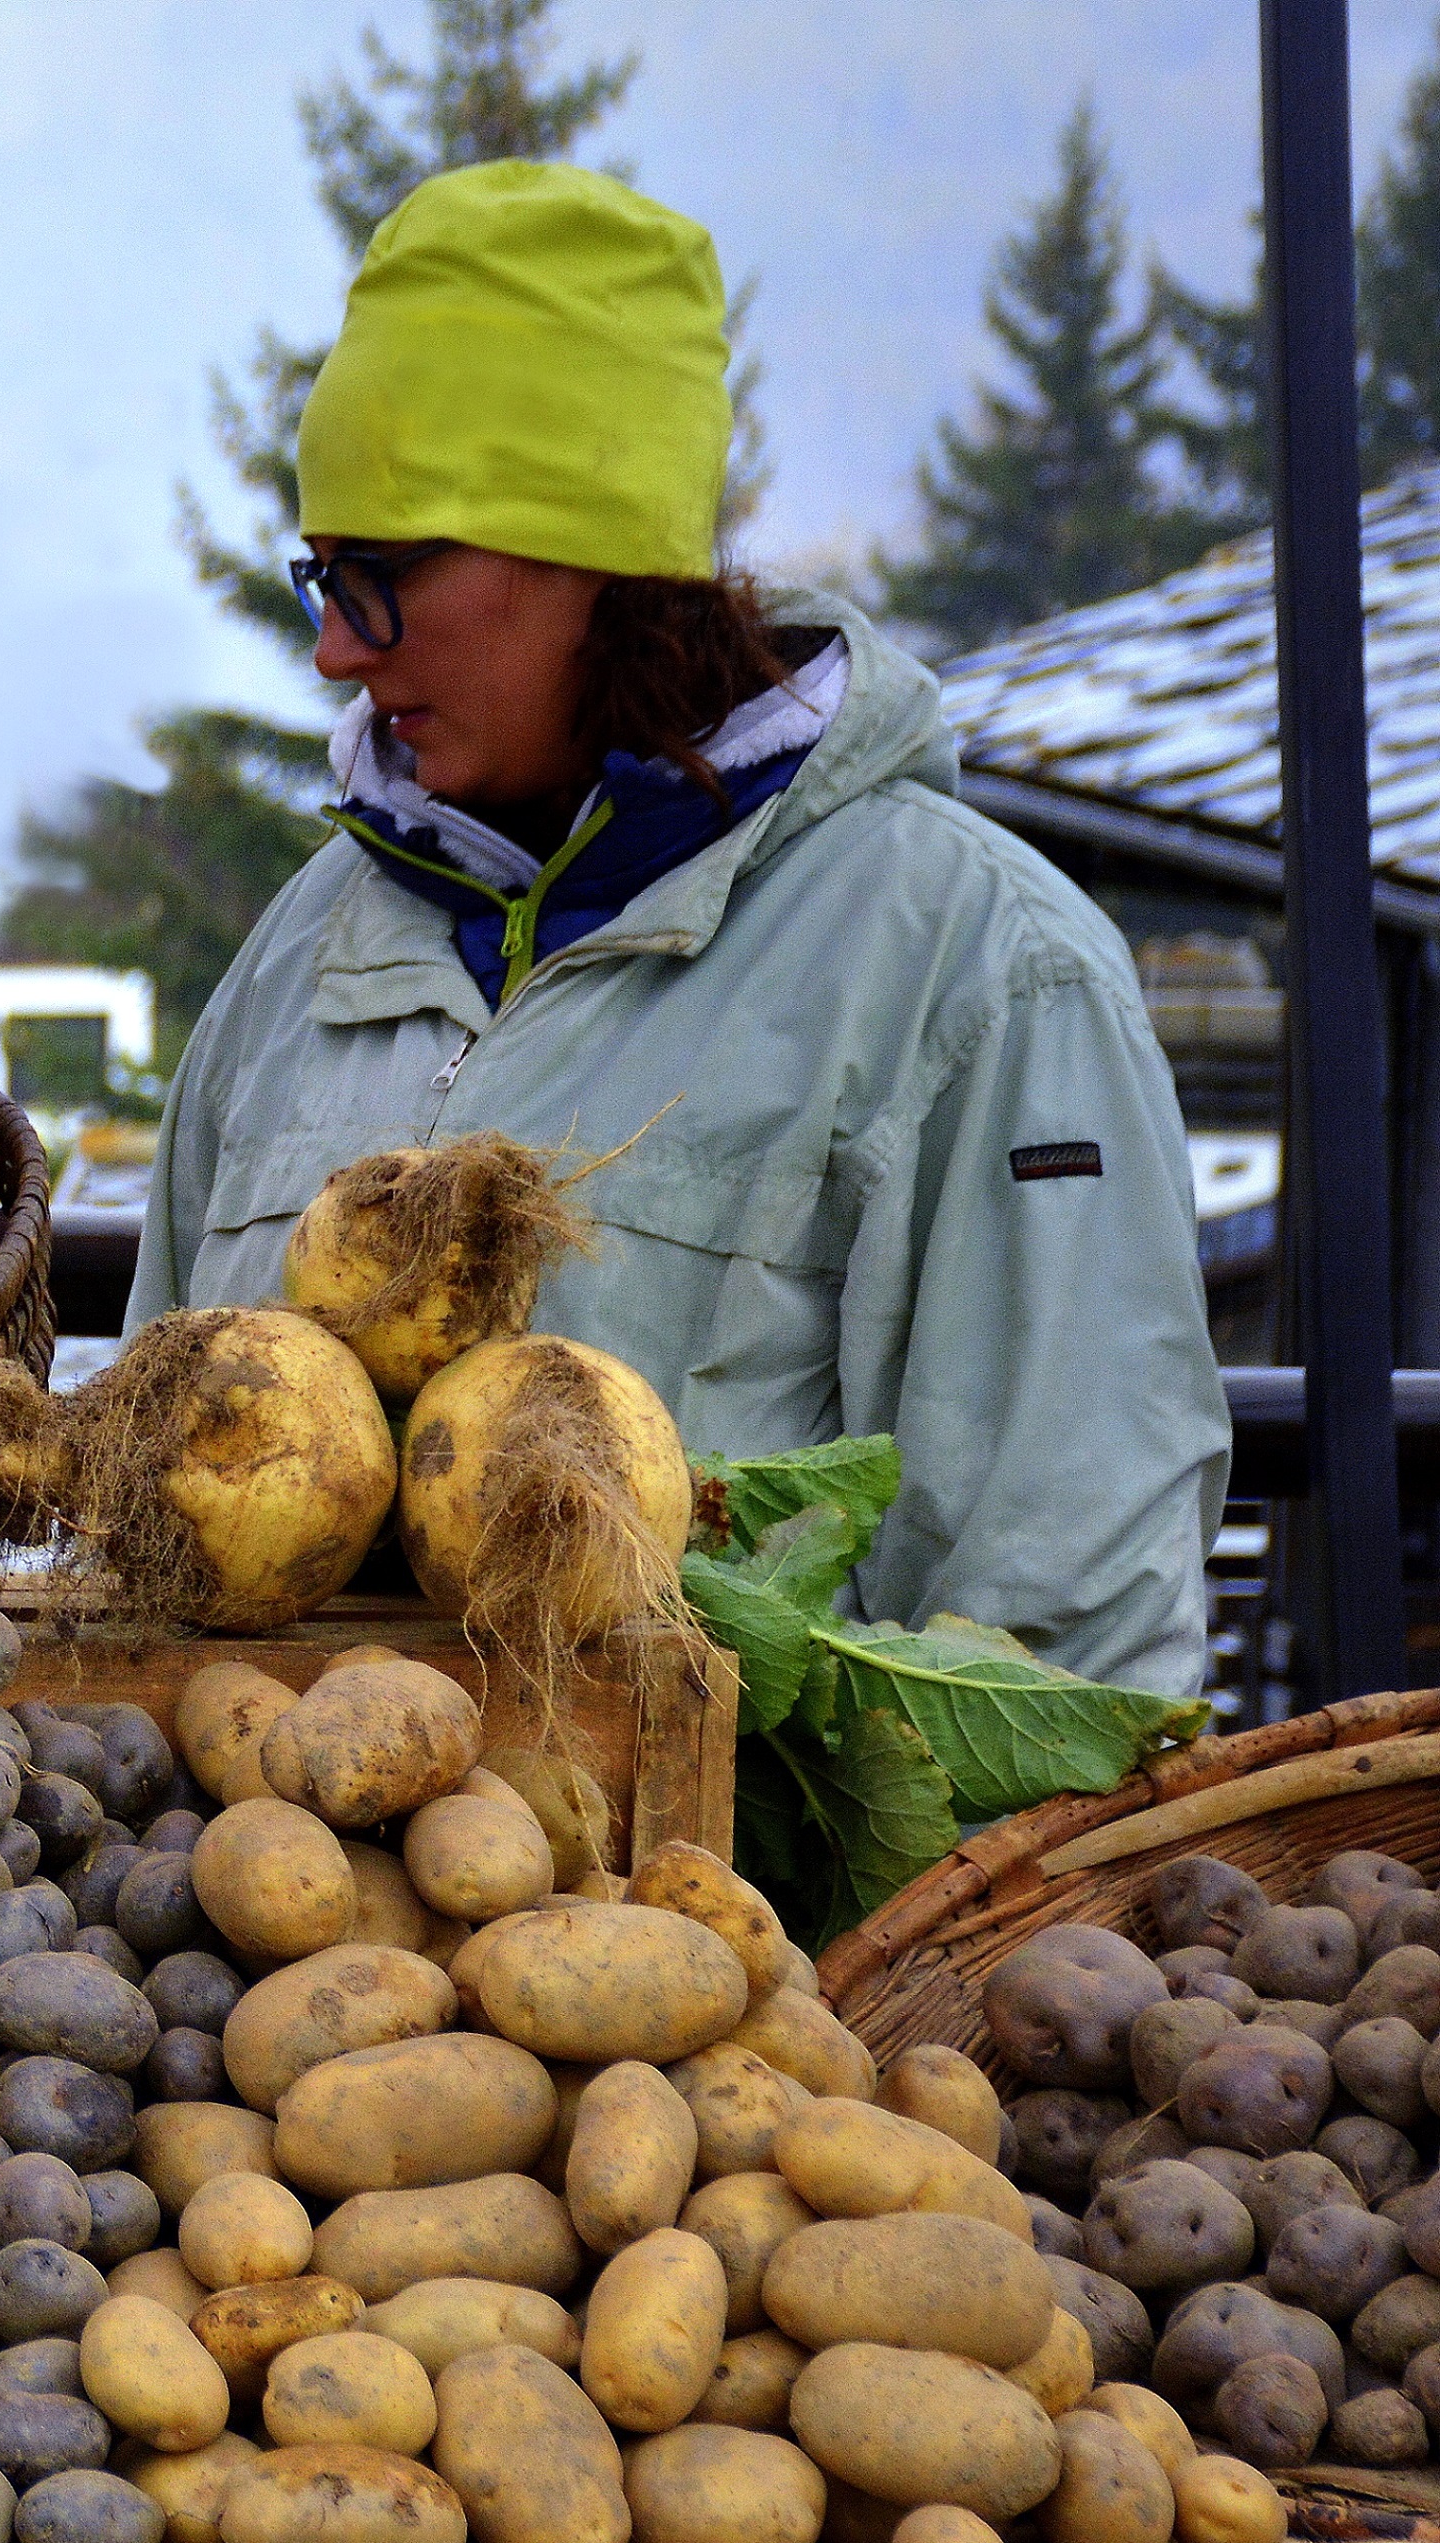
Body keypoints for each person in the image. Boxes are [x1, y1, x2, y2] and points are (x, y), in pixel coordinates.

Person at [130, 161, 1228, 1694]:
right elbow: (146, 1515)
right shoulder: (293, 959)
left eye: (379, 577)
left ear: (591, 558)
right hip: (279, 1911)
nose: (329, 647)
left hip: (723, 1933)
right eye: (321, 575)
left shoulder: (982, 972)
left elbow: (1066, 1648)